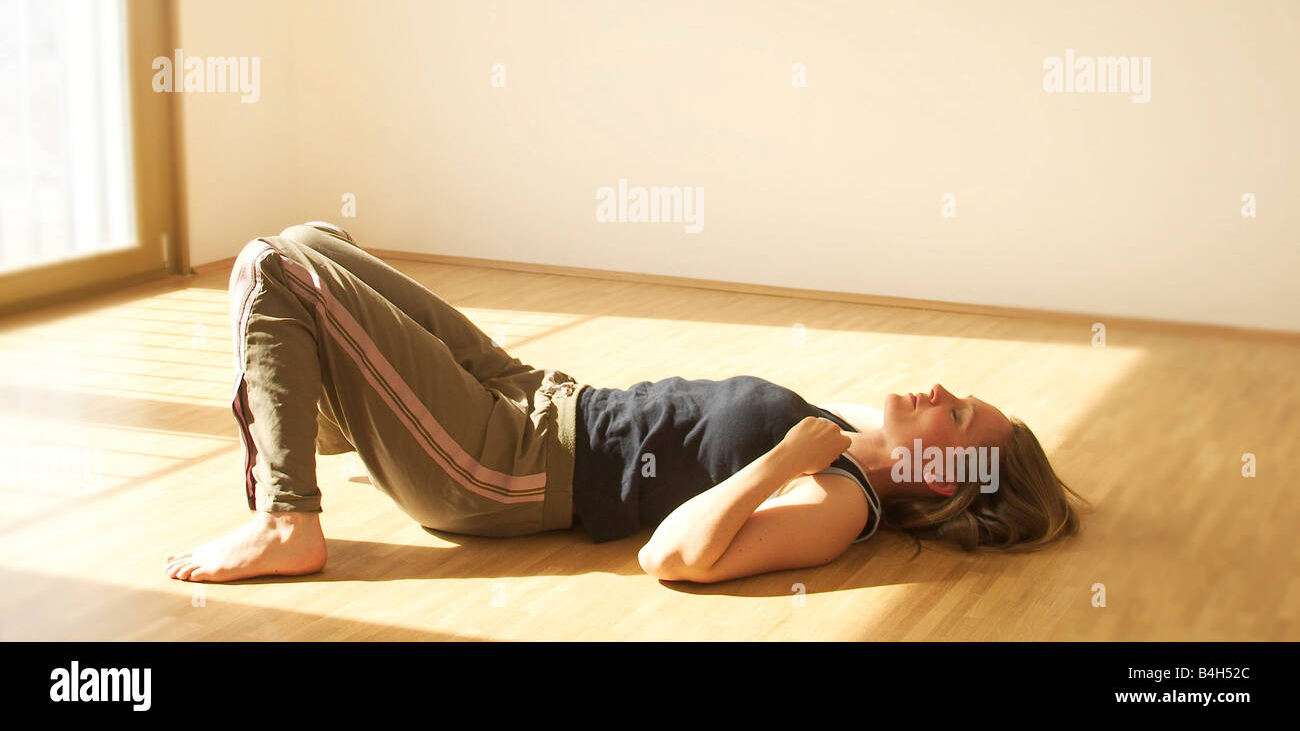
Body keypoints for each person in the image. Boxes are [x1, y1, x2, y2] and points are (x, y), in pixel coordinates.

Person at [163, 223, 1088, 585]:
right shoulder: (840, 441)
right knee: (312, 239)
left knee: (272, 269)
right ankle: (341, 419)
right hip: (539, 398)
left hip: (506, 467)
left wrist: (777, 467)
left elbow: (671, 558)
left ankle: (288, 519)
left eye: (957, 416)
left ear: (946, 473)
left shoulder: (842, 502)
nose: (940, 393)